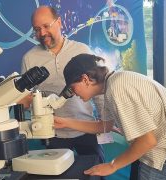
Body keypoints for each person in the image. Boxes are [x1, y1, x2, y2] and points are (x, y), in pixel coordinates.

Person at [54, 53, 166, 179]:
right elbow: (104, 126)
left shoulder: (118, 89)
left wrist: (112, 166)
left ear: (85, 79)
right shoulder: (114, 82)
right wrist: (66, 122)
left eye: (73, 88)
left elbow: (147, 141)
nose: (74, 94)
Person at [20, 6, 105, 166]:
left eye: (46, 26)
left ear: (59, 22)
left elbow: (98, 91)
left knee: (96, 172)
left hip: (85, 128)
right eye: (37, 29)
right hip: (53, 133)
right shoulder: (29, 59)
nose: (42, 33)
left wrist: (103, 121)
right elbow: (24, 99)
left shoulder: (81, 50)